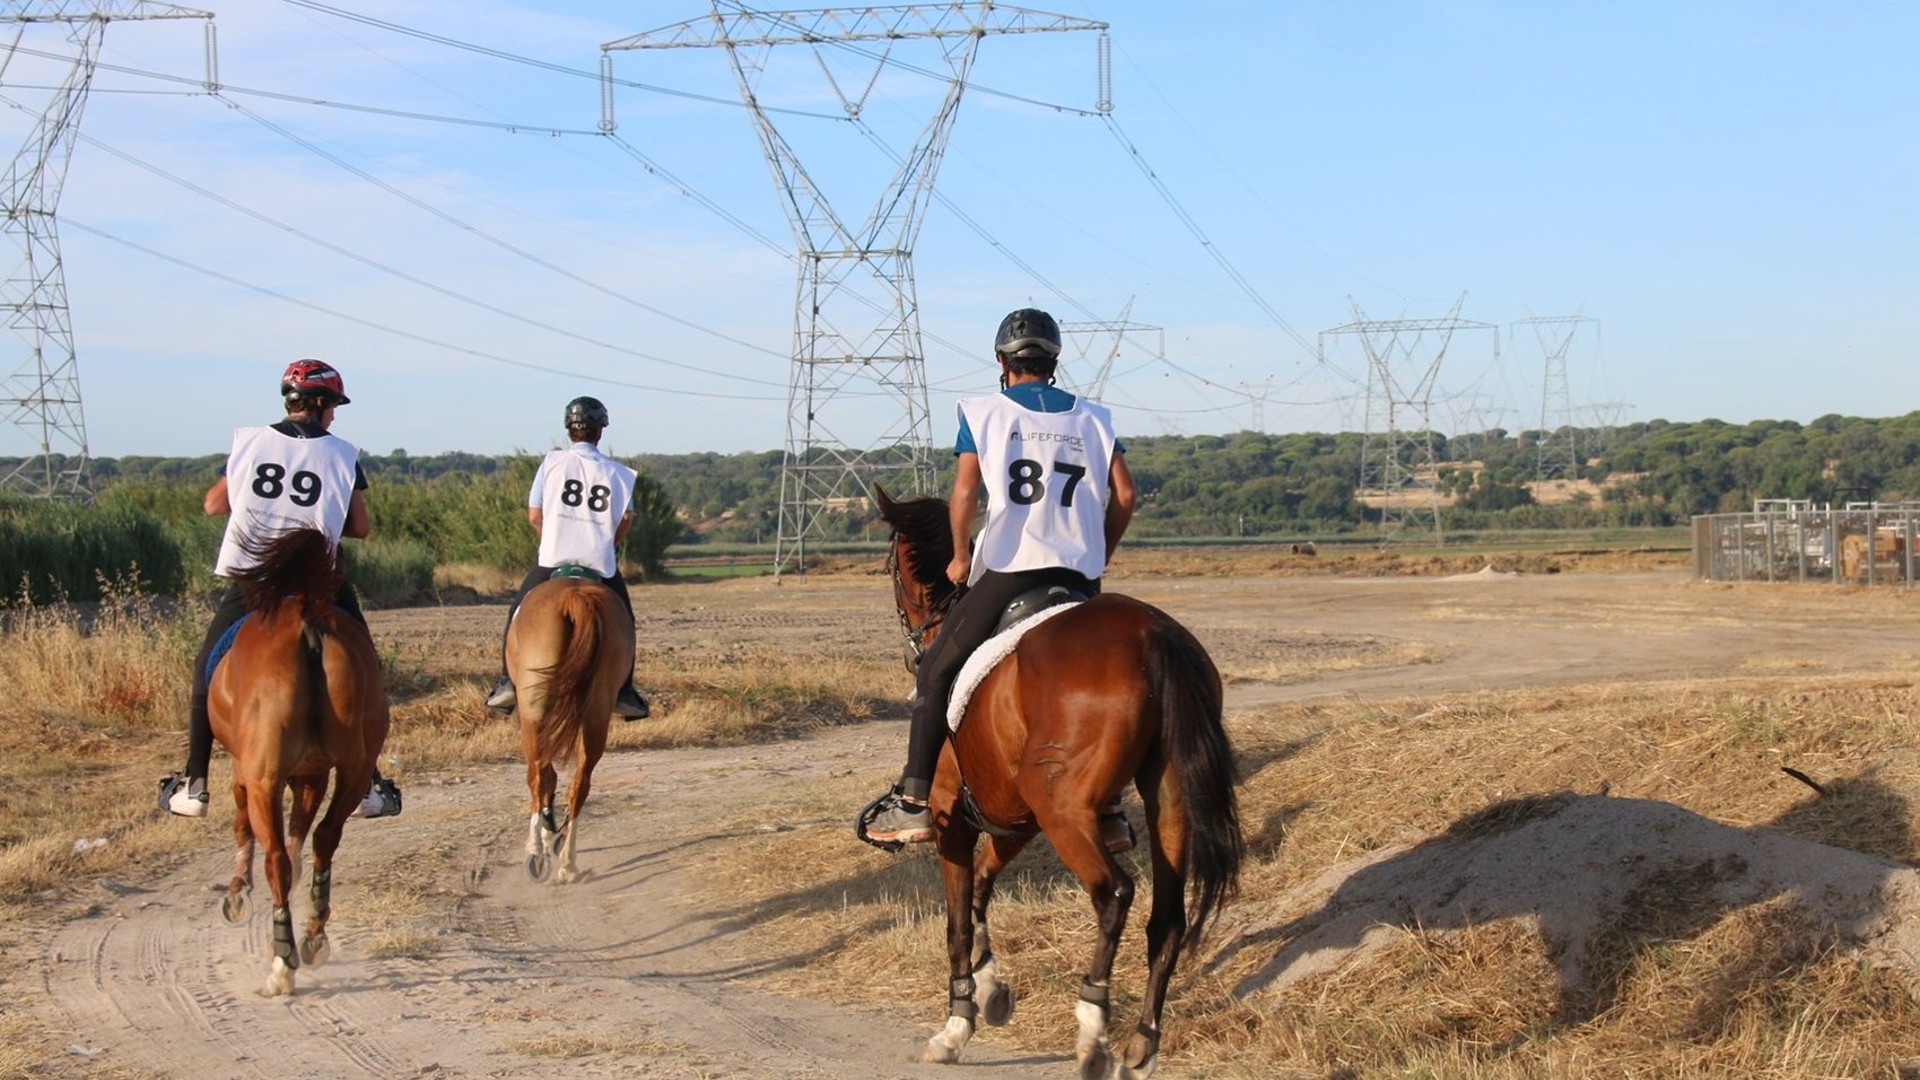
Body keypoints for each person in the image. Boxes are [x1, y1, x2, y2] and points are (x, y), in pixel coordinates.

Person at [864, 308, 1137, 846]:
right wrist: (1098, 551)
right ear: (1054, 361)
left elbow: (965, 491)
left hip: (1013, 569)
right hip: (1079, 579)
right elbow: (1125, 495)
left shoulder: (983, 411)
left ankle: (914, 801)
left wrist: (961, 556)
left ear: (1002, 361)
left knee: (935, 672)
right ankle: (1109, 809)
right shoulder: (1095, 419)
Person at [157, 359, 401, 819]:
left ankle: (194, 783)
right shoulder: (343, 453)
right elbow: (362, 527)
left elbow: (212, 504)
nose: (335, 416)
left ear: (290, 401)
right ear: (323, 404)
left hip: (257, 578)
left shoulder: (250, 442)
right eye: (334, 407)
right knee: (364, 663)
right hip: (317, 581)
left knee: (206, 667)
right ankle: (369, 784)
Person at [485, 395, 650, 719]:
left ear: (569, 430)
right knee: (625, 621)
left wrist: (554, 537)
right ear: (599, 431)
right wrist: (607, 543)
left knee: (518, 610)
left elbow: (534, 515)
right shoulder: (619, 473)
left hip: (552, 559)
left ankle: (506, 682)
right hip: (599, 563)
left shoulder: (551, 463)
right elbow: (627, 519)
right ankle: (625, 691)